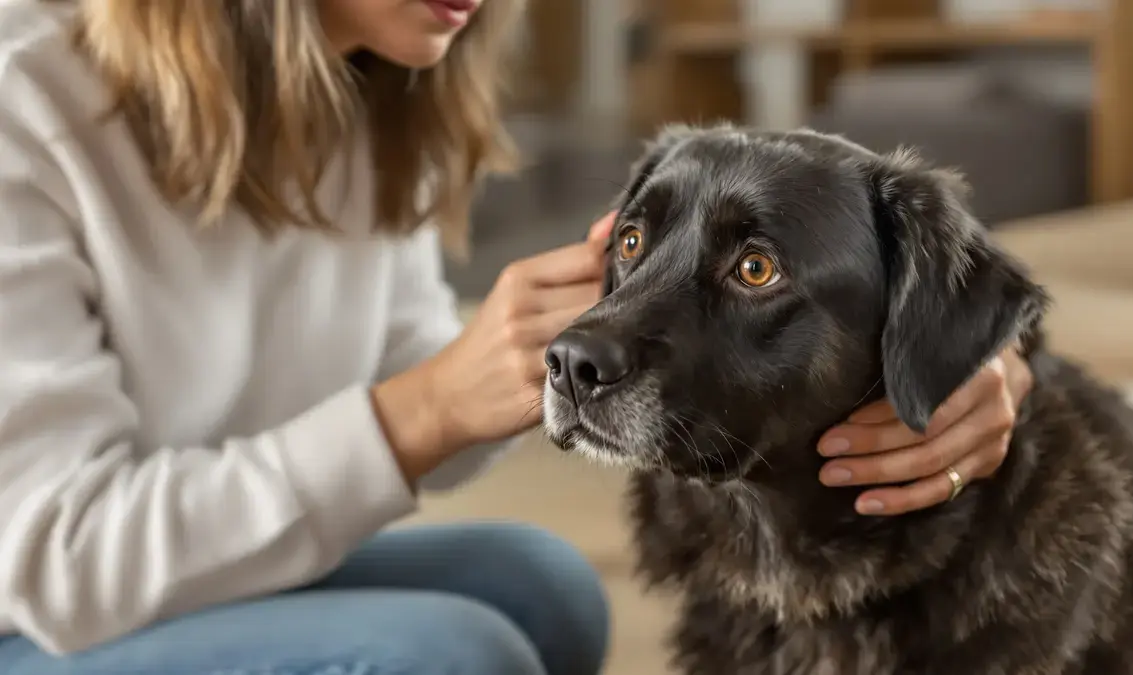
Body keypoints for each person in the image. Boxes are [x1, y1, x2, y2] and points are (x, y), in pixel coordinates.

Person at [0, 0, 1034, 672]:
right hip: (35, 616)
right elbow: (56, 560)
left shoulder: (368, 84)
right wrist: (435, 404)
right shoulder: (24, 93)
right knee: (448, 653)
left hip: (158, 582)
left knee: (542, 585)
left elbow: (413, 369)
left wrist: (946, 351)